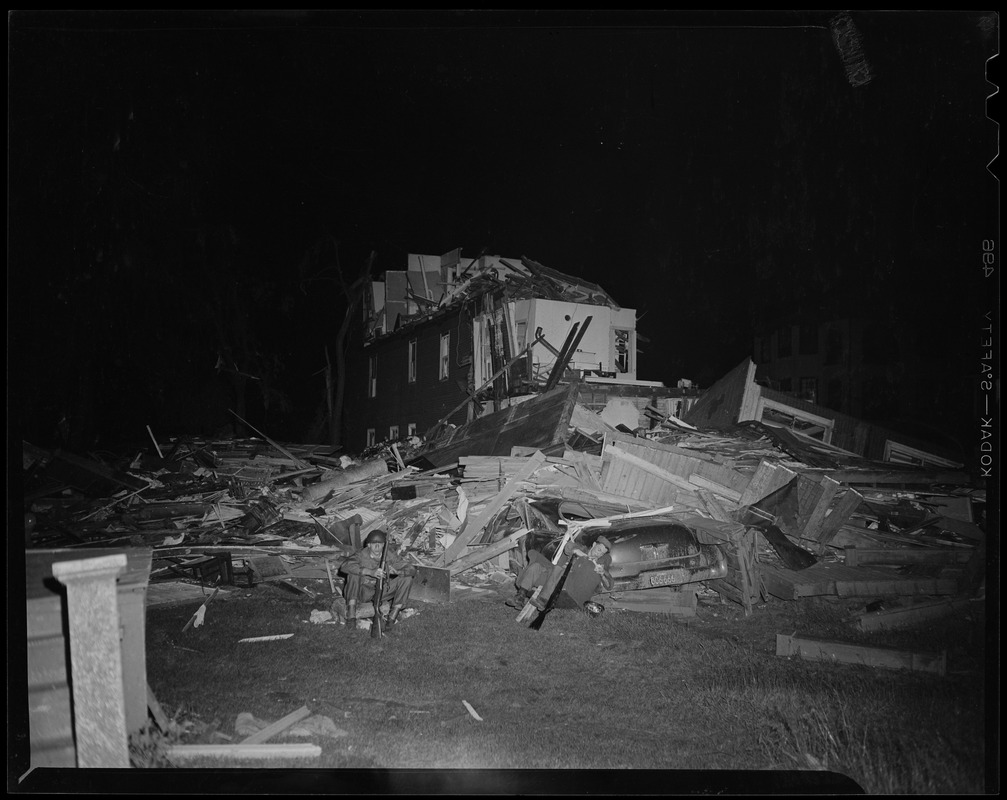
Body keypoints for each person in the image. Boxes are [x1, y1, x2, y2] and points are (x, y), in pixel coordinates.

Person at [509, 533, 614, 612]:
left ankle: (543, 600)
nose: (599, 554)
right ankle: (520, 597)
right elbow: (568, 547)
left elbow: (609, 585)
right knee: (536, 566)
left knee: (560, 569)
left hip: (565, 582)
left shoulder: (599, 562)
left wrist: (603, 573)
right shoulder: (582, 549)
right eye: (599, 550)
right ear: (594, 544)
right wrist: (580, 553)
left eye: (602, 553)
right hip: (552, 575)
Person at [340, 529, 417, 628]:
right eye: (373, 544)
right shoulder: (361, 555)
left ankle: (392, 617)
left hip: (381, 592)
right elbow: (345, 566)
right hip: (362, 592)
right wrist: (370, 572)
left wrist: (397, 572)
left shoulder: (389, 555)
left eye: (380, 543)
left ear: (384, 545)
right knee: (353, 574)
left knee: (407, 578)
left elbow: (411, 569)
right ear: (368, 545)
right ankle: (351, 616)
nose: (377, 547)